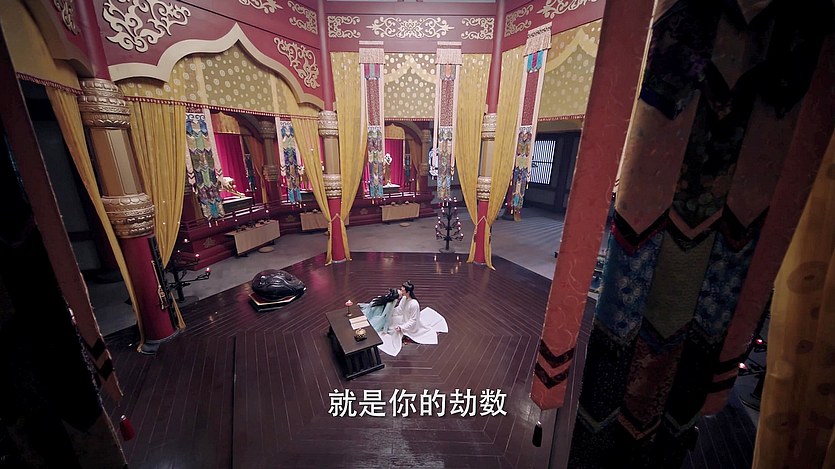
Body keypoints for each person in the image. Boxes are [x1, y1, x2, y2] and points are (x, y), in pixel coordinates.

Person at [377, 281, 448, 357]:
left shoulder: (414, 304)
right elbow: (400, 309)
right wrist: (389, 312)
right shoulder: (404, 298)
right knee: (391, 321)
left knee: (393, 330)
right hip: (404, 319)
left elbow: (413, 320)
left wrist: (402, 327)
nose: (401, 292)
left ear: (407, 292)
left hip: (411, 325)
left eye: (402, 290)